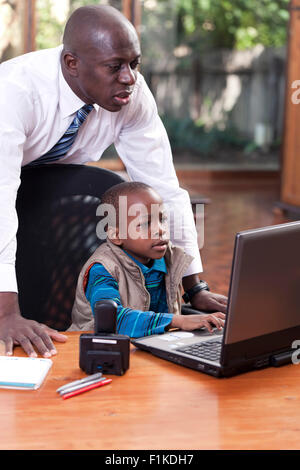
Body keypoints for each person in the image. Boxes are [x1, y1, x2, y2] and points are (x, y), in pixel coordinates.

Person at [0, 5, 227, 358]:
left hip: (43, 200)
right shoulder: (14, 92)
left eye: (134, 64)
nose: (129, 78)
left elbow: (165, 188)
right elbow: (1, 199)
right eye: (115, 67)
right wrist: (4, 313)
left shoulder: (130, 93)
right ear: (72, 63)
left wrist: (194, 285)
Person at [70, 182, 226, 335]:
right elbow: (111, 319)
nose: (160, 230)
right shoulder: (102, 269)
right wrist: (179, 321)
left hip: (154, 344)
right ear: (116, 235)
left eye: (163, 220)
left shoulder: (170, 257)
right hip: (101, 350)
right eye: (145, 224)